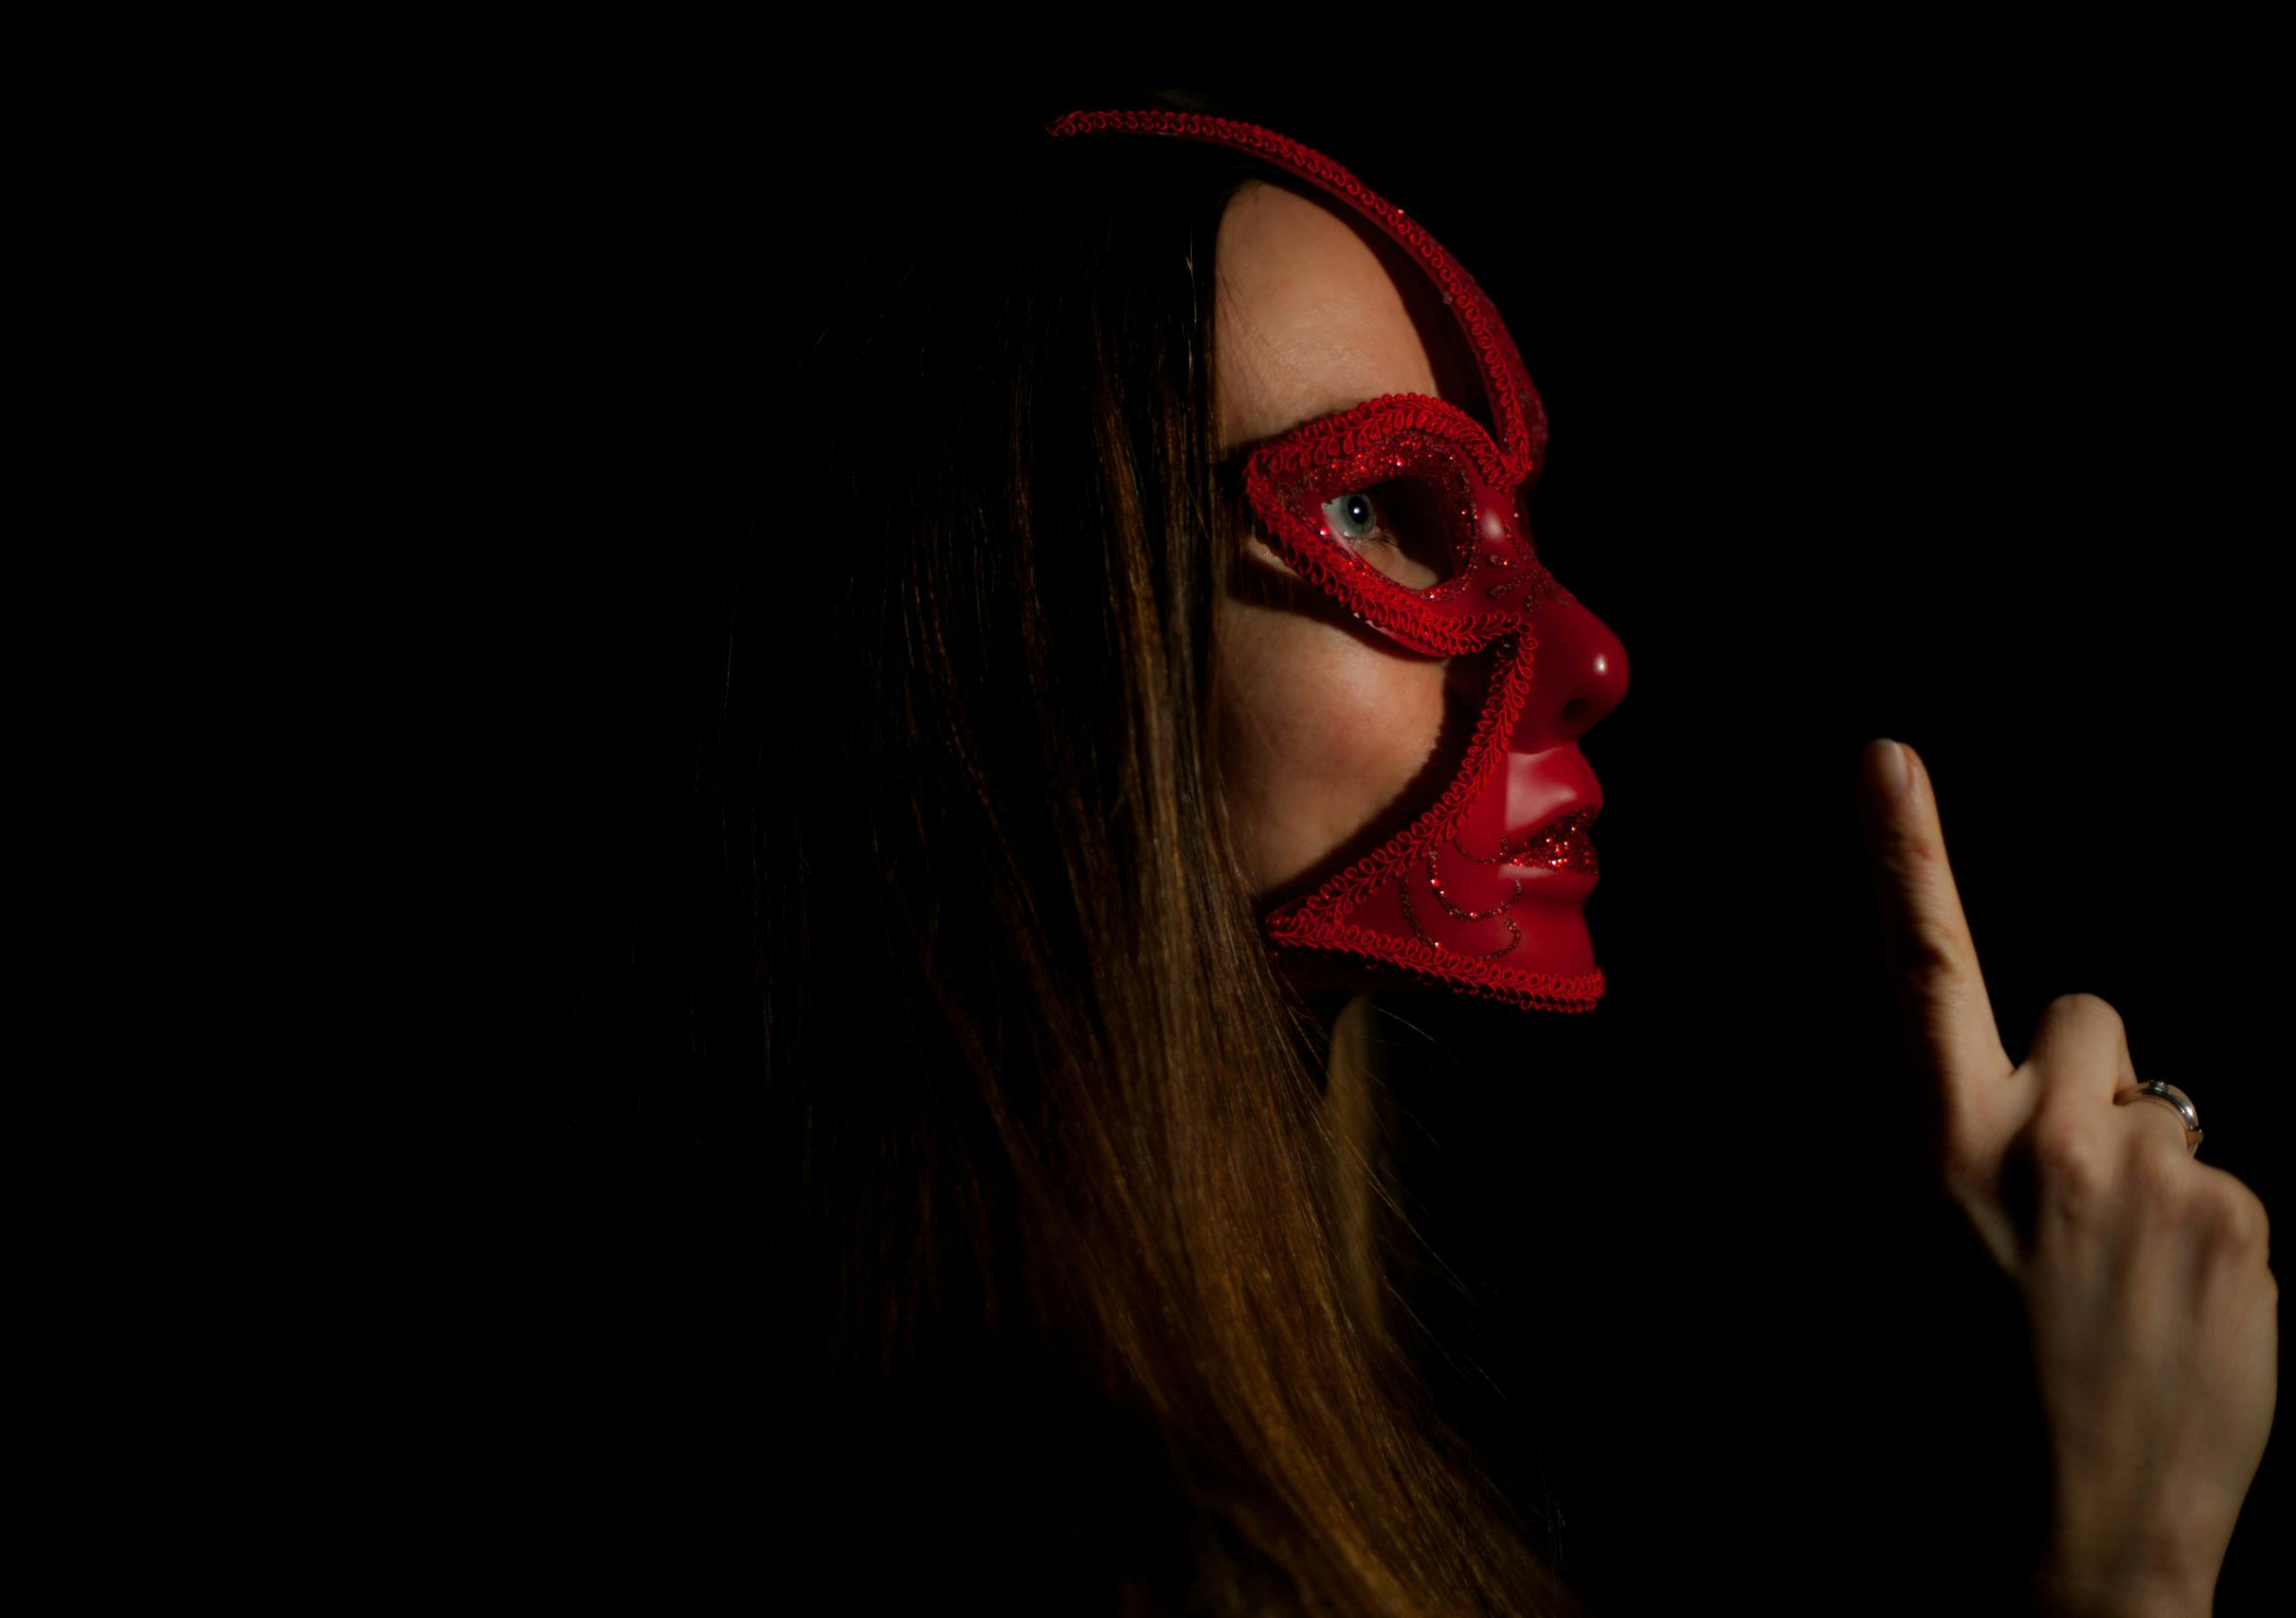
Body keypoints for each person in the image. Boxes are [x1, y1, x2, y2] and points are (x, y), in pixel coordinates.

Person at [695, 91, 2275, 1615]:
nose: (1585, 658)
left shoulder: (1291, 1452)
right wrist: (2117, 1561)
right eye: (1382, 509)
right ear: (1021, 642)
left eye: (1506, 517)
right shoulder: (1018, 1546)